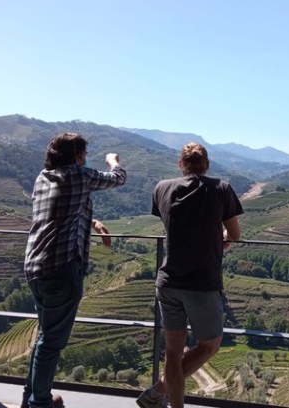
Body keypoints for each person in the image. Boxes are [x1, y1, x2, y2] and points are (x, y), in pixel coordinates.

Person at [21, 132, 126, 408]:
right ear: (78, 155)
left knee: (45, 337)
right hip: (62, 267)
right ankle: (40, 403)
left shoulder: (43, 177)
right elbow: (118, 179)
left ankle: (30, 397)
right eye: (85, 154)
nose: (86, 159)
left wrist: (94, 223)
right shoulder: (80, 175)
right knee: (51, 342)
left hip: (35, 265)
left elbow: (59, 212)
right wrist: (113, 161)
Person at [137, 142, 243, 408]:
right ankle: (156, 392)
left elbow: (172, 224)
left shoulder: (162, 188)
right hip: (202, 282)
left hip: (168, 280)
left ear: (180, 164)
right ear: (206, 164)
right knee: (209, 344)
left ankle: (162, 398)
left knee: (173, 351)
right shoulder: (221, 188)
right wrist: (221, 238)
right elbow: (235, 234)